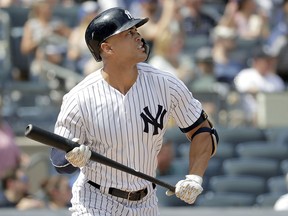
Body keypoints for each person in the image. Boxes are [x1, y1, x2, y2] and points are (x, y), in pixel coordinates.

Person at [50, 7, 218, 215]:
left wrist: (195, 176)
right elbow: (58, 159)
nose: (139, 36)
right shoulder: (80, 97)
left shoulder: (165, 84)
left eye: (137, 31)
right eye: (129, 33)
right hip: (95, 202)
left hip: (146, 202)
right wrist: (72, 157)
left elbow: (203, 131)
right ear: (108, 48)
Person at [234, 46, 285, 125]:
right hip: (248, 119)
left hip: (273, 120)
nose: (269, 63)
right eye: (266, 60)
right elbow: (241, 91)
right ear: (256, 61)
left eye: (270, 60)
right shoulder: (245, 75)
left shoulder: (276, 79)